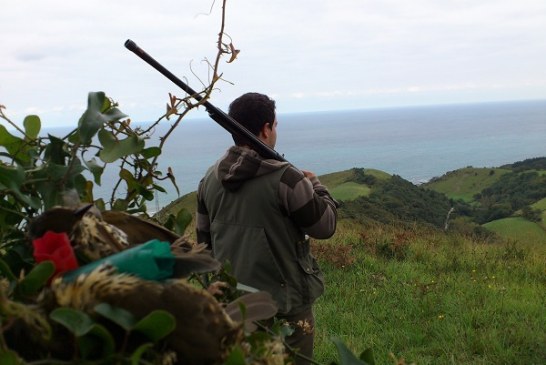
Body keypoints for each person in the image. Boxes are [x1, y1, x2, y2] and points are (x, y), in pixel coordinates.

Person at [196, 92, 337, 363]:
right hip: (287, 304)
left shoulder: (208, 179)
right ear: (266, 128)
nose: (275, 130)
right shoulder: (287, 179)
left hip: (235, 302)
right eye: (275, 125)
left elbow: (204, 242)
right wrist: (317, 186)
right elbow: (325, 225)